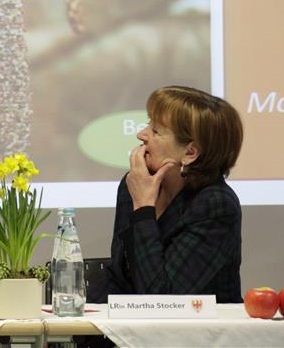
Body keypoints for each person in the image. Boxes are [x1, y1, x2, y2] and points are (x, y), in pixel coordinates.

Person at [89, 85, 244, 304]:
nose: (141, 135)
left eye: (155, 131)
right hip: (133, 322)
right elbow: (120, 276)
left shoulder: (215, 205)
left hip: (195, 325)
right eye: (148, 124)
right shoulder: (134, 183)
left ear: (190, 152)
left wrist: (143, 208)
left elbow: (162, 298)